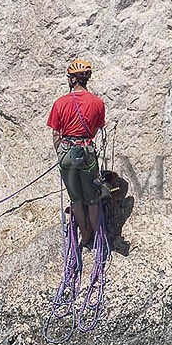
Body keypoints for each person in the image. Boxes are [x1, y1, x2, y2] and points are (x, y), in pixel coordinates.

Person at [46, 58, 107, 250]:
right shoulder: (98, 103)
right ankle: (98, 236)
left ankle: (85, 233)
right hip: (86, 150)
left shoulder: (60, 103)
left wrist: (62, 152)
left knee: (76, 200)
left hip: (66, 151)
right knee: (93, 199)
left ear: (73, 79)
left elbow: (56, 134)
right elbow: (95, 130)